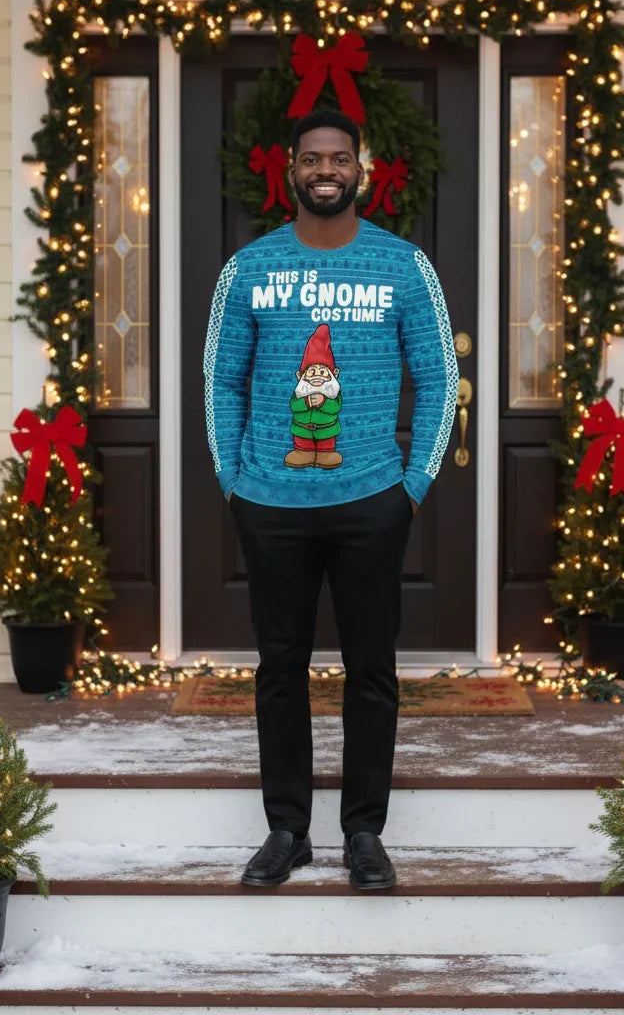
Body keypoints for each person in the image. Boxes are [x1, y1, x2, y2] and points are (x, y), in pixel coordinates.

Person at [203, 108, 457, 890]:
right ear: (291, 169)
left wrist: (410, 487)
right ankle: (287, 830)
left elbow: (441, 376)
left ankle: (363, 833)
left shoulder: (403, 265)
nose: (326, 169)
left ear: (360, 169)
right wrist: (233, 482)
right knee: (279, 667)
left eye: (339, 158)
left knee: (371, 669)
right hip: (270, 502)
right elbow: (222, 378)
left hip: (370, 499)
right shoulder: (248, 269)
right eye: (312, 158)